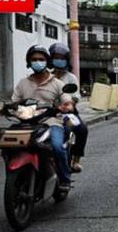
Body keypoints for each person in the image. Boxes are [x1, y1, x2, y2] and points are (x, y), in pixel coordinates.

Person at [12, 45, 74, 189]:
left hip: (51, 122)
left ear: (47, 61)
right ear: (29, 62)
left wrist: (67, 105)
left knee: (58, 148)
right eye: (34, 59)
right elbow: (14, 101)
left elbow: (66, 99)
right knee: (9, 145)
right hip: (26, 122)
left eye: (41, 59)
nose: (37, 62)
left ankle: (65, 179)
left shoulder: (57, 83)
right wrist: (2, 108)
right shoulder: (23, 83)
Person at [49, 42, 88, 173]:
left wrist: (68, 104)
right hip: (48, 113)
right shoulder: (46, 76)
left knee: (82, 130)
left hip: (68, 114)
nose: (58, 60)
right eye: (56, 57)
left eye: (62, 57)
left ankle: (76, 160)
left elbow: (76, 96)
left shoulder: (71, 77)